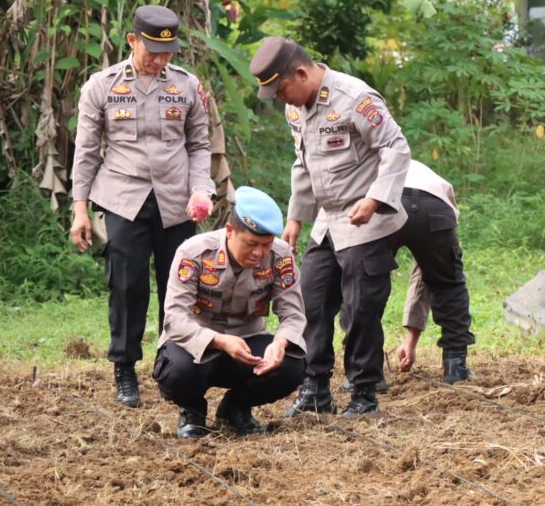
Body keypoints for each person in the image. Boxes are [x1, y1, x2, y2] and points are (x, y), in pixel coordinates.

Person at [249, 36, 411, 417]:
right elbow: (303, 164)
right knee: (311, 299)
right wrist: (295, 217)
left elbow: (396, 146)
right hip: (327, 219)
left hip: (364, 217)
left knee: (360, 307)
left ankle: (364, 392)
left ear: (301, 73)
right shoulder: (297, 109)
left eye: (281, 89)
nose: (280, 99)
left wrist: (375, 198)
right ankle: (315, 386)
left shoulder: (354, 98)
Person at [70, 5, 215, 409]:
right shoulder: (102, 86)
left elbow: (199, 145)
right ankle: (125, 369)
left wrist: (201, 190)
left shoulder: (187, 86)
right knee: (128, 285)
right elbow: (85, 152)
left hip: (176, 201)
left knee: (181, 286)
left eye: (168, 52)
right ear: (132, 41)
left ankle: (174, 361)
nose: (160, 59)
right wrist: (80, 208)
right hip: (123, 197)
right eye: (152, 50)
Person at [153, 186, 306, 438]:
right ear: (229, 231)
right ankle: (193, 411)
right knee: (175, 370)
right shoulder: (194, 253)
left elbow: (293, 314)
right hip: (198, 342)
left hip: (248, 343)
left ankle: (236, 408)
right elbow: (175, 317)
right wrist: (220, 341)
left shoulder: (281, 256)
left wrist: (279, 343)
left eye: (266, 245)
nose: (259, 253)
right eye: (251, 244)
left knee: (293, 364)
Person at [339, 160, 476, 391]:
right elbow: (425, 276)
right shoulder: (422, 171)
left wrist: (410, 341)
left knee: (362, 285)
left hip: (382, 203)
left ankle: (366, 372)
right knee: (447, 283)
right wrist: (411, 342)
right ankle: (456, 365)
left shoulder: (363, 166)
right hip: (434, 206)